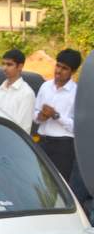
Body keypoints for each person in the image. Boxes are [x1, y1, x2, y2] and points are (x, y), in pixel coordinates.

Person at [34, 48, 83, 177]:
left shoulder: (77, 93)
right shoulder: (45, 86)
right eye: (58, 66)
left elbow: (77, 127)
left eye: (64, 68)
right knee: (38, 180)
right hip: (42, 142)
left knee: (59, 183)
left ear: (73, 71)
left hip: (63, 147)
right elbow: (35, 114)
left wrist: (56, 115)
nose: (59, 71)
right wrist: (40, 116)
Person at [0, 49, 36, 132]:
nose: (4, 68)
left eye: (9, 64)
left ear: (20, 66)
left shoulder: (27, 93)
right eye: (3, 64)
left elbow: (24, 127)